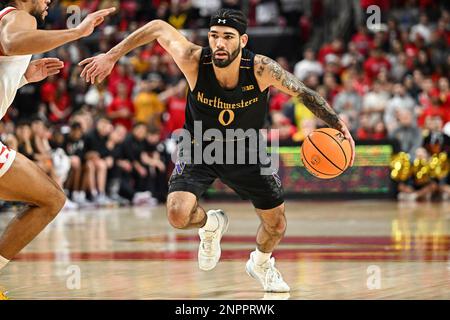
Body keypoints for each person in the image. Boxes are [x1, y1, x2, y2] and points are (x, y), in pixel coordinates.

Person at [80, 8, 355, 293]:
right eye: (214, 36)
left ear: (243, 41)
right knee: (177, 214)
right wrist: (111, 55)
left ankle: (260, 263)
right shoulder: (193, 60)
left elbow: (304, 94)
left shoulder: (261, 69)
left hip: (246, 151)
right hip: (200, 146)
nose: (219, 43)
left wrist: (339, 125)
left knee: (276, 225)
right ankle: (210, 224)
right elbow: (158, 26)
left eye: (227, 37)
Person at [0, 0, 115, 299]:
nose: (48, 0)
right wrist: (76, 32)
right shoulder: (20, 18)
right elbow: (11, 42)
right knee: (50, 199)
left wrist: (24, 77)